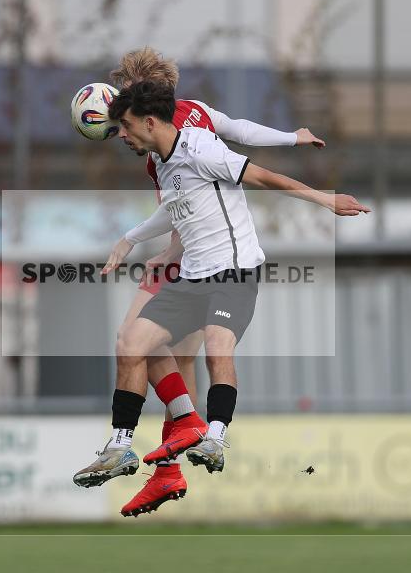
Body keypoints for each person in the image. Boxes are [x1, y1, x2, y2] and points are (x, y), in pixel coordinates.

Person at [73, 48, 328, 517]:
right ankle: (169, 456)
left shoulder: (186, 129)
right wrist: (293, 137)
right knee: (144, 347)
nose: (120, 130)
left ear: (144, 103)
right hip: (187, 251)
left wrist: (306, 169)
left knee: (176, 351)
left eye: (125, 114)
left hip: (211, 257)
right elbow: (193, 189)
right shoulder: (161, 149)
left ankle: (190, 439)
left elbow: (240, 154)